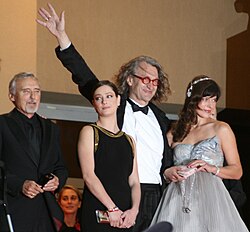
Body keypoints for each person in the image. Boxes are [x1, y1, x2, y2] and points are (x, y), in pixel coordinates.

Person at [36, 4, 172, 232]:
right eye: (145, 79)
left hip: (155, 195)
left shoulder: (160, 117)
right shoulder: (114, 104)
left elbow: (164, 159)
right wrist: (62, 38)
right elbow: (84, 76)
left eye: (155, 81)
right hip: (120, 195)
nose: (151, 85)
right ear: (130, 80)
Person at [150, 75, 249, 231]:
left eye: (214, 100)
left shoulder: (221, 128)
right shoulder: (175, 131)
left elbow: (237, 171)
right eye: (206, 99)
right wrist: (167, 173)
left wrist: (212, 169)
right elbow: (159, 165)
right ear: (193, 99)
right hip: (177, 197)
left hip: (211, 197)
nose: (210, 105)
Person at [0, 72, 68, 232]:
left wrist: (57, 180)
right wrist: (20, 185)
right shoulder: (2, 124)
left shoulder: (52, 128)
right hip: (13, 211)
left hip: (46, 214)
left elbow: (61, 167)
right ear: (12, 96)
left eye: (37, 91)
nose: (33, 97)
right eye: (26, 91)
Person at [77, 80, 140, 231]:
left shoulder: (129, 140)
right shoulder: (89, 132)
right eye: (98, 98)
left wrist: (134, 210)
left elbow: (134, 181)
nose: (104, 101)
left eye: (109, 96)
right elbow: (88, 176)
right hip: (100, 211)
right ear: (94, 104)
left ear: (118, 100)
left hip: (125, 216)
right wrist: (112, 209)